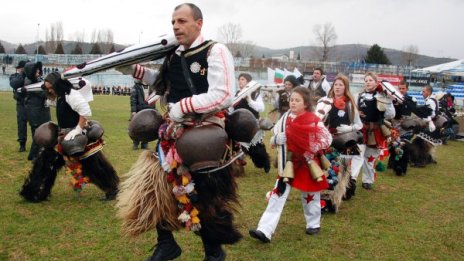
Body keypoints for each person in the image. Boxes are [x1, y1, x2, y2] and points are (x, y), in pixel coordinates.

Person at [115, 3, 239, 261]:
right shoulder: (172, 55)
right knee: (156, 188)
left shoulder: (215, 51)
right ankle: (166, 243)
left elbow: (224, 94)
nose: (176, 26)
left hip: (205, 134)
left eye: (182, 21)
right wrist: (129, 67)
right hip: (172, 132)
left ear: (199, 23)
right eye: (173, 22)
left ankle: (213, 252)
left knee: (204, 195)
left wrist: (183, 107)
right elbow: (160, 81)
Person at [20, 72, 120, 202]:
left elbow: (85, 111)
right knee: (46, 163)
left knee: (94, 166)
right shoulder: (61, 96)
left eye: (51, 87)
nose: (50, 90)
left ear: (58, 84)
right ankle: (35, 192)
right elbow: (49, 100)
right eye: (48, 88)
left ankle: (112, 189)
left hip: (77, 139)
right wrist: (26, 91)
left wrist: (78, 129)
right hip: (63, 138)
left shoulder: (72, 95)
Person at [249, 86, 332, 242]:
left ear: (305, 103)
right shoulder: (285, 117)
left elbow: (327, 139)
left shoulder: (313, 119)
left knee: (310, 195)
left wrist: (313, 147)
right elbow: (274, 137)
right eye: (292, 100)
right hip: (288, 163)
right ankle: (264, 230)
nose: (293, 103)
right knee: (277, 195)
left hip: (307, 162)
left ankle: (313, 223)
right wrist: (276, 139)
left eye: (297, 100)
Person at [315, 74, 363, 206]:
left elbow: (359, 125)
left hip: (345, 141)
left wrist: (349, 128)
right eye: (335, 84)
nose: (337, 87)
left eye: (340, 85)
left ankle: (337, 196)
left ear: (345, 87)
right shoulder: (325, 102)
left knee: (341, 170)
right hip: (328, 140)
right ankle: (324, 194)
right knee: (327, 167)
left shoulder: (350, 104)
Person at [352, 72, 395, 190]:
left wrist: (389, 101)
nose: (368, 82)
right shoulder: (358, 96)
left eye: (370, 80)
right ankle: (352, 179)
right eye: (366, 80)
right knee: (357, 155)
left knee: (370, 157)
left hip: (375, 130)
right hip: (361, 130)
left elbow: (390, 114)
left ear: (376, 82)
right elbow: (353, 111)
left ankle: (367, 180)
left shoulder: (382, 96)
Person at [233, 73, 271, 173]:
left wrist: (250, 100)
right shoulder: (237, 94)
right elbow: (232, 108)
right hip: (239, 125)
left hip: (252, 124)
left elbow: (261, 108)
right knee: (237, 146)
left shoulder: (255, 94)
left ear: (248, 82)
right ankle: (238, 165)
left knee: (256, 149)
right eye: (239, 79)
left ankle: (265, 163)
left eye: (242, 79)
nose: (240, 82)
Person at [23, 61, 52, 160]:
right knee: (37, 134)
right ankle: (34, 155)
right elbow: (43, 94)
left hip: (40, 111)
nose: (38, 71)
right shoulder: (30, 83)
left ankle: (35, 154)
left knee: (41, 133)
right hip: (35, 112)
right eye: (36, 70)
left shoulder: (36, 80)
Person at [9, 60, 28, 152]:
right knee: (21, 124)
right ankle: (22, 144)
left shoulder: (32, 77)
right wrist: (22, 74)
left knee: (36, 125)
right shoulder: (14, 76)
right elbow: (14, 84)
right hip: (21, 103)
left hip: (33, 104)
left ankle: (37, 144)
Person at [129, 79, 150, 150]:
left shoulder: (151, 86)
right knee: (137, 127)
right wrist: (133, 111)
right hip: (139, 110)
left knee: (147, 127)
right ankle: (135, 143)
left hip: (148, 110)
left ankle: (145, 143)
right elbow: (133, 99)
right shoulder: (136, 87)